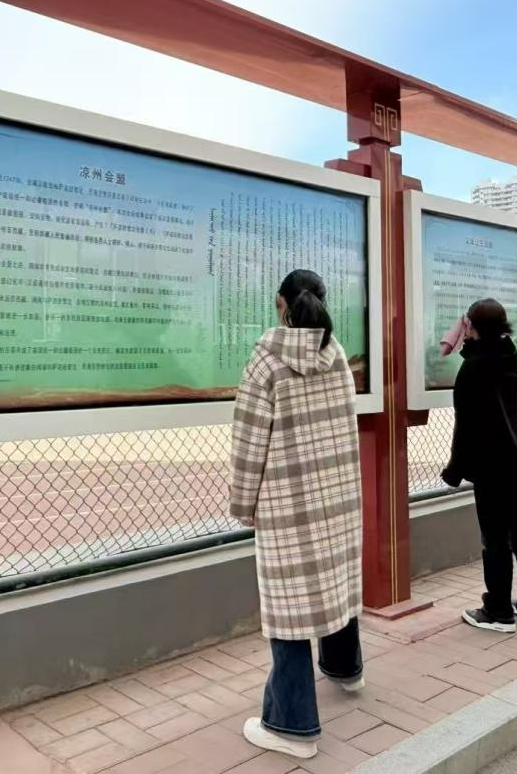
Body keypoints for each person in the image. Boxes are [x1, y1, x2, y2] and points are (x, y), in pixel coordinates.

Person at [229, 269, 363, 760]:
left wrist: (243, 503)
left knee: (287, 609)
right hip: (337, 494)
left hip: (287, 500)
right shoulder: (337, 353)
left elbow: (249, 441)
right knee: (335, 580)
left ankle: (292, 725)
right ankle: (346, 669)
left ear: (279, 303)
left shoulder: (267, 359)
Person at [440, 299, 517, 633]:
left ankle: (498, 611)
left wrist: (454, 470)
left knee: (495, 538)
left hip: (491, 465)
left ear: (471, 326)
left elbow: (466, 426)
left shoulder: (474, 368)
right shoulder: (508, 358)